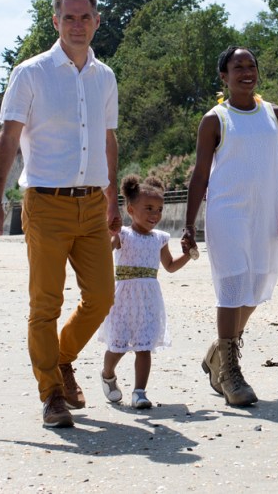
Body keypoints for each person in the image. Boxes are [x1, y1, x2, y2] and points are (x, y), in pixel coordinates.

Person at [0, 0, 122, 428]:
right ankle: (51, 395)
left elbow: (108, 138)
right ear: (56, 22)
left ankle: (62, 359)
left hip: (93, 204)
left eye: (85, 17)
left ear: (97, 22)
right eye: (69, 17)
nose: (77, 25)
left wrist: (112, 198)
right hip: (45, 203)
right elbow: (7, 138)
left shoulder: (105, 77)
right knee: (45, 304)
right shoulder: (31, 73)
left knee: (102, 297)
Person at [181, 46, 278, 407]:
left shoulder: (275, 115)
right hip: (227, 213)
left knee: (256, 287)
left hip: (265, 214)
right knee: (232, 286)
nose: (246, 72)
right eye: (238, 67)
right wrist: (188, 226)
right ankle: (230, 373)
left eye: (251, 66)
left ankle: (217, 352)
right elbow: (200, 175)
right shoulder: (215, 119)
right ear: (224, 76)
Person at [98, 175, 191, 409]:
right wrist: (110, 232)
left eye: (159, 209)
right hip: (122, 299)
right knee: (117, 346)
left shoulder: (160, 238)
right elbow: (104, 252)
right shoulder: (122, 235)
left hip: (149, 300)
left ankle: (139, 392)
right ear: (130, 210)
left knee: (144, 347)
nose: (155, 214)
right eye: (148, 208)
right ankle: (107, 374)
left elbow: (170, 266)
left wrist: (188, 255)